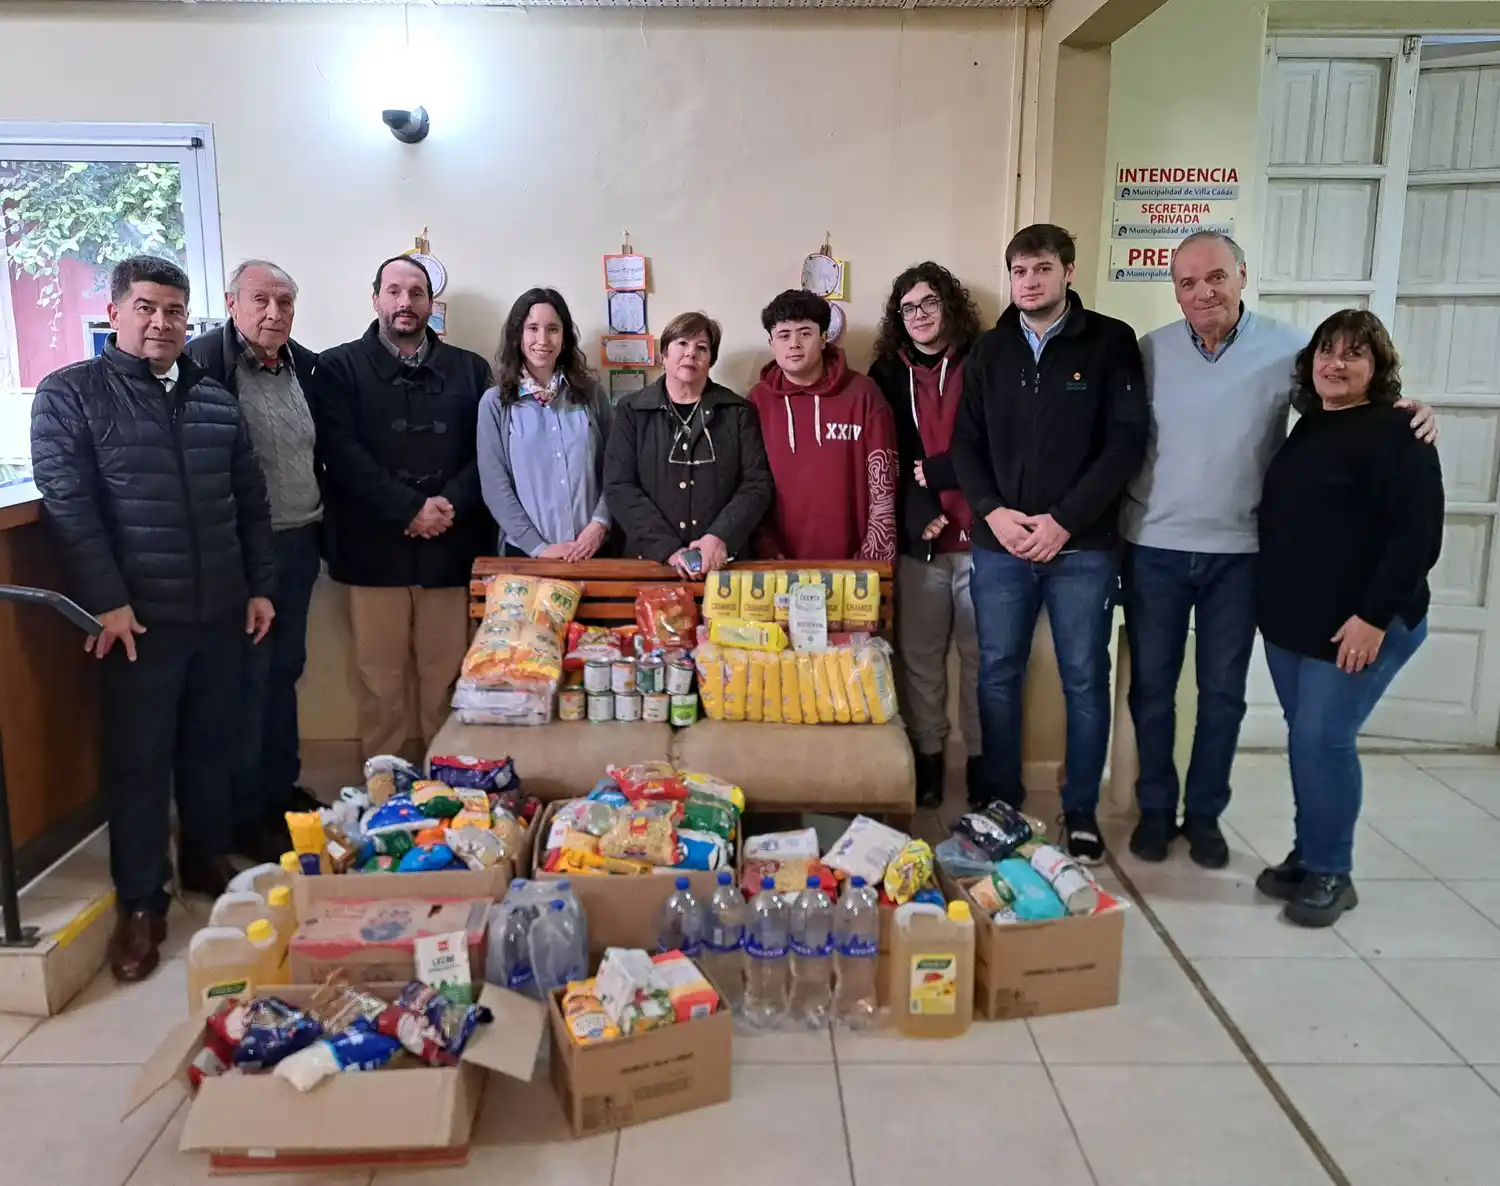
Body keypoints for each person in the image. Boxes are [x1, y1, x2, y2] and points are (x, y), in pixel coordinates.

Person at [1122, 232, 1437, 868]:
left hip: (1240, 555)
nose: (1203, 292)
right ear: (1175, 291)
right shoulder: (1147, 353)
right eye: (1187, 283)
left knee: (1223, 695)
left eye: (1215, 277)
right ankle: (1156, 810)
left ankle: (1205, 815)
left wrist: (1411, 410)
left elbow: (1345, 413)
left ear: (1242, 276)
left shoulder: (1291, 350)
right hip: (1153, 547)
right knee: (1152, 689)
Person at [31, 255, 275, 982]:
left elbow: (249, 501)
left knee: (209, 745)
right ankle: (142, 903)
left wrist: (259, 587)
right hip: (134, 619)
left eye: (174, 311)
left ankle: (204, 858)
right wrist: (106, 599)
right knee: (139, 764)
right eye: (146, 308)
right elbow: (70, 508)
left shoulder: (212, 398)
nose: (161, 323)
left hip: (219, 609)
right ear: (115, 314)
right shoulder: (72, 395)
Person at [952, 224, 1147, 864]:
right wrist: (994, 514)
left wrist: (1064, 520)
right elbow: (965, 446)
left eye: (1041, 269)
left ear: (1067, 271)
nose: (1029, 281)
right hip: (999, 544)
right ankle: (1001, 800)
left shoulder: (1111, 342)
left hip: (1083, 548)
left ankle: (1082, 808)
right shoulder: (989, 350)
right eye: (1018, 271)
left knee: (1086, 679)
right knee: (999, 675)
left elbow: (1124, 445)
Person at [1254, 310, 1442, 927]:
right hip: (1296, 621)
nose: (1337, 364)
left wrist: (1372, 616)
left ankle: (1333, 870)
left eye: (1354, 354)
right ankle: (1310, 853)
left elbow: (1416, 541)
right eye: (1327, 351)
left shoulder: (1399, 433)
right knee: (1307, 740)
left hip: (1364, 623)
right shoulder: (1310, 425)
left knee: (1322, 740)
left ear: (1377, 367)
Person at [316, 256, 492, 759]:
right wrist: (407, 508)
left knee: (447, 679)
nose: (405, 303)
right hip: (373, 552)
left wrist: (445, 505)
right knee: (379, 683)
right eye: (394, 291)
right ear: (375, 299)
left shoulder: (470, 369)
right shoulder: (336, 367)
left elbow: (489, 455)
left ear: (431, 303)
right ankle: (384, 788)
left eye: (416, 293)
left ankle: (448, 786)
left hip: (449, 547)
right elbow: (338, 453)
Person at [185, 260, 323, 861]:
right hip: (243, 551)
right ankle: (244, 818)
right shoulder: (202, 366)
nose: (275, 313)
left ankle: (279, 793)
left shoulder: (305, 367)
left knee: (286, 672)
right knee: (247, 683)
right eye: (261, 300)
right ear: (232, 302)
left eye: (285, 302)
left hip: (301, 542)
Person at [869, 263, 985, 807]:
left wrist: (945, 473)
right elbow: (887, 455)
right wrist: (917, 510)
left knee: (984, 659)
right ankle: (930, 760)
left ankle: (984, 764)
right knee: (918, 659)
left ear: (950, 306)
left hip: (987, 536)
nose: (919, 316)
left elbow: (1003, 444)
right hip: (922, 539)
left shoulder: (985, 360)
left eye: (930, 303)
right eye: (908, 308)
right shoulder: (886, 374)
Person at [604, 311, 772, 578]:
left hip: (722, 563)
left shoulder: (738, 411)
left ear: (710, 360)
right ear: (664, 354)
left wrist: (719, 537)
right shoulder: (631, 410)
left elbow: (757, 484)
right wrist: (668, 549)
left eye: (701, 347)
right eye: (682, 343)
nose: (691, 353)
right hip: (650, 562)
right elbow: (619, 485)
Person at [747, 289, 896, 563]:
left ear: (824, 338)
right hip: (777, 565)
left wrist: (872, 558)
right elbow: (747, 484)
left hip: (855, 566)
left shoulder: (863, 393)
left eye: (805, 333)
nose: (794, 344)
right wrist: (766, 550)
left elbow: (884, 481)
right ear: (771, 343)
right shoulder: (756, 402)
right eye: (784, 335)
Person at [477, 288, 612, 560]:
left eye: (553, 329)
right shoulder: (495, 403)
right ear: (518, 335)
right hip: (526, 556)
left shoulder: (591, 394)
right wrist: (540, 548)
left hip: (592, 551)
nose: (543, 339)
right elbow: (495, 486)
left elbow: (616, 469)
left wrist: (599, 525)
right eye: (532, 328)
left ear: (565, 336)